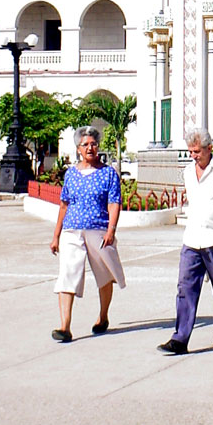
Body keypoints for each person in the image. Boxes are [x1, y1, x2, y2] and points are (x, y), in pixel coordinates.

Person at [158, 128, 213, 355]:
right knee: (185, 288)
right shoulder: (188, 172)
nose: (194, 156)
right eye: (191, 151)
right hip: (192, 239)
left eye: (197, 151)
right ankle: (180, 338)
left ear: (209, 149)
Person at [49, 126, 125, 342]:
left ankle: (103, 317)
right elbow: (64, 205)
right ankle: (64, 326)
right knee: (68, 274)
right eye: (85, 145)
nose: (90, 148)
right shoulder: (71, 174)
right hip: (72, 230)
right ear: (78, 149)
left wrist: (111, 230)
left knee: (104, 276)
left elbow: (114, 203)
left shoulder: (108, 173)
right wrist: (56, 235)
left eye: (93, 143)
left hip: (99, 230)